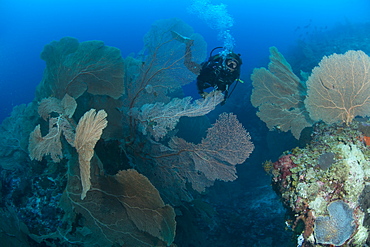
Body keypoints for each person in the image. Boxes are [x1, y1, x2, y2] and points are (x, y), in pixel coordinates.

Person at [172, 31, 243, 104]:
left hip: (213, 82)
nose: (230, 66)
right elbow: (200, 78)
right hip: (204, 70)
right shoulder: (214, 68)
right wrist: (201, 92)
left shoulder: (233, 75)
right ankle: (187, 43)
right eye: (229, 63)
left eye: (234, 65)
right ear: (225, 62)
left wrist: (217, 96)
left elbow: (224, 88)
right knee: (187, 64)